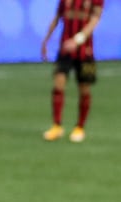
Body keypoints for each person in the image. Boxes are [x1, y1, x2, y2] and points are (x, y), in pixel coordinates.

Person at [41, 0, 104, 142]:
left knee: (84, 89)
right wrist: (46, 40)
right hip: (65, 50)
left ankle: (80, 127)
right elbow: (57, 17)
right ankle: (57, 126)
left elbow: (95, 20)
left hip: (86, 52)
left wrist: (78, 39)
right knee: (58, 82)